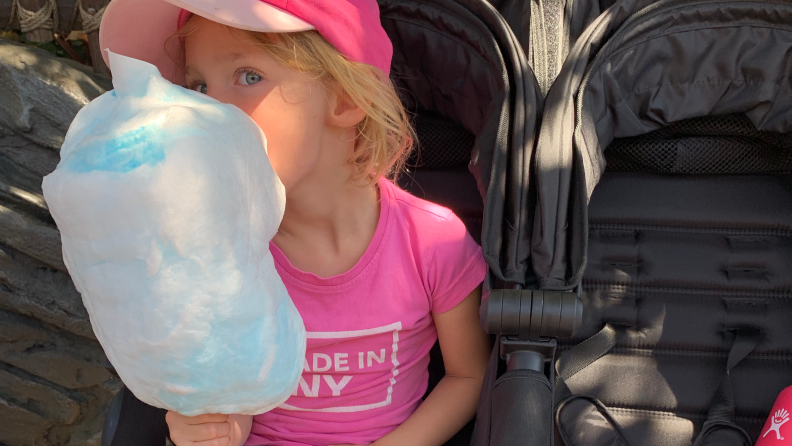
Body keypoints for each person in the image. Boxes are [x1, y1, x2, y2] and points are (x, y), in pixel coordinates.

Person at [99, 1, 491, 445]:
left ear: (346, 98)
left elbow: (468, 376)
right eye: (199, 87)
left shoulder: (433, 244)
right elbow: (237, 389)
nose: (209, 111)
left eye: (248, 76)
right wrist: (216, 427)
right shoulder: (220, 249)